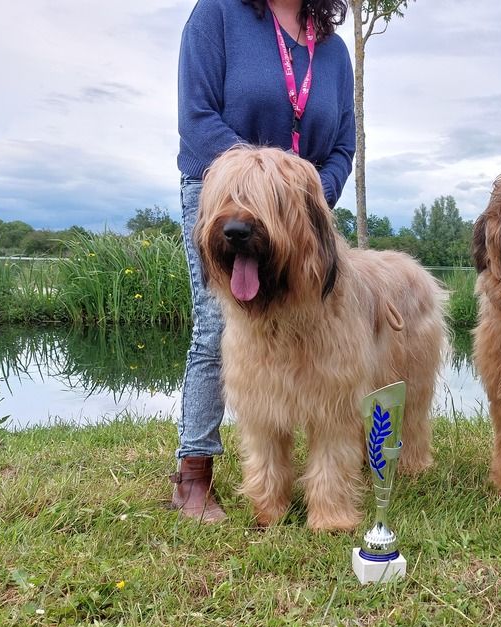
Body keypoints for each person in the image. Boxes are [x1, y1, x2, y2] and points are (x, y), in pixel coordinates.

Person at [171, 0, 355, 521]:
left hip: (298, 212)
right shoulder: (218, 16)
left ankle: (330, 464)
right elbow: (197, 118)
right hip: (221, 194)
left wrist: (308, 194)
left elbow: (343, 144)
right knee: (216, 329)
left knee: (320, 328)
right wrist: (261, 178)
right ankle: (194, 475)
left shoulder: (334, 49)